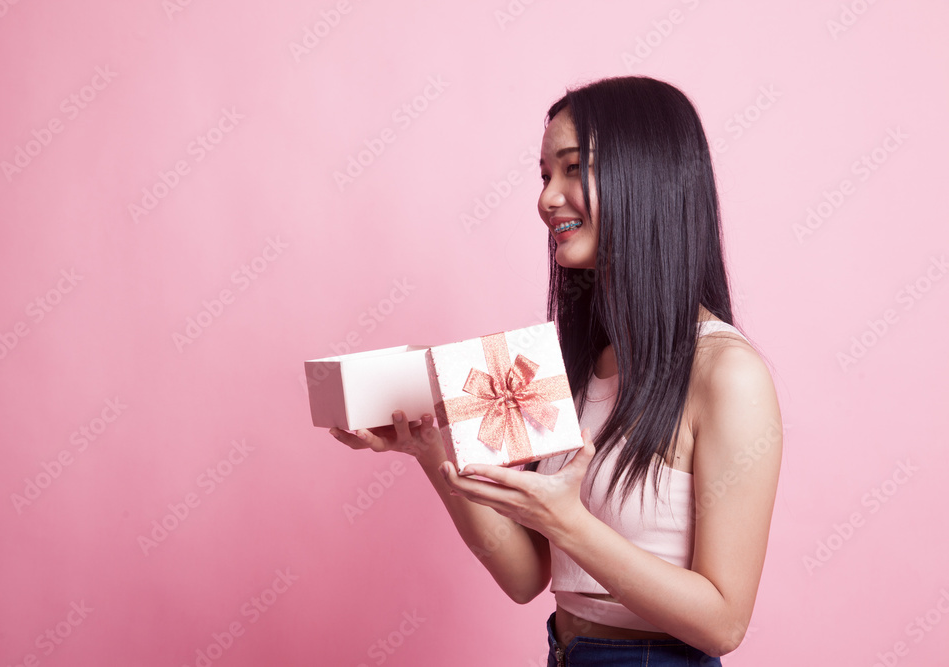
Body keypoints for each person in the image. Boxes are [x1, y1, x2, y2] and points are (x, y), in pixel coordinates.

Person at [329, 75, 782, 666]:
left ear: (645, 177)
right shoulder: (563, 361)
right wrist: (430, 447)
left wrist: (568, 522)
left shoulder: (728, 374)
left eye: (572, 169)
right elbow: (526, 578)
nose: (546, 199)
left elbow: (723, 623)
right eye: (545, 175)